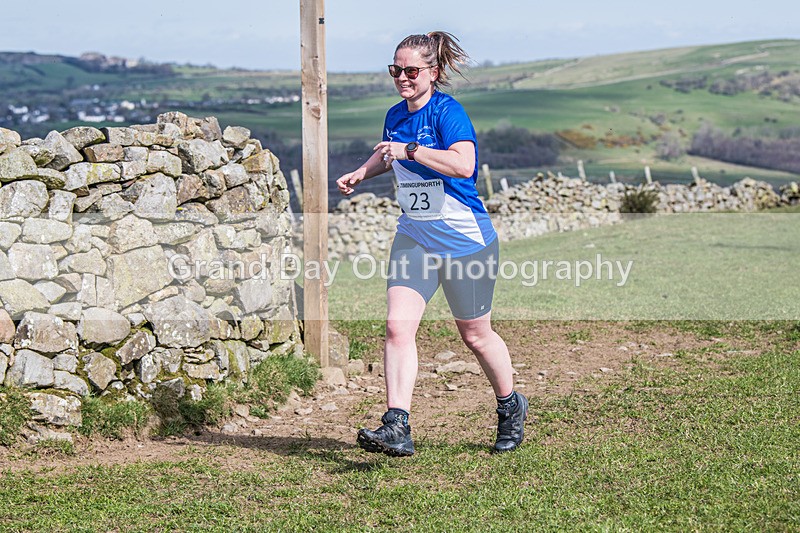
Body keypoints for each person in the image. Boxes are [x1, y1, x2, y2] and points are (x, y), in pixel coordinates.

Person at [336, 31, 527, 456]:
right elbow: (388, 155)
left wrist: (413, 150)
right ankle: (396, 425)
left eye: (410, 71)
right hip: (415, 236)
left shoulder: (448, 112)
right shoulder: (394, 114)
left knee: (475, 336)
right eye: (395, 70)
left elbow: (464, 164)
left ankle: (510, 405)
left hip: (465, 242)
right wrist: (361, 173)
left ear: (432, 72)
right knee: (396, 326)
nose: (401, 78)